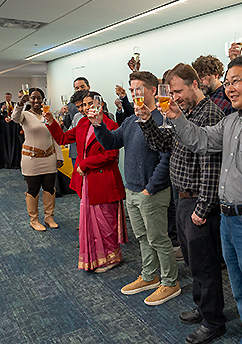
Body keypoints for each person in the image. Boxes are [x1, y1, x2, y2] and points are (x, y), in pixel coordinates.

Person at [161, 55, 242, 344]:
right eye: (227, 82)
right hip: (228, 223)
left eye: (236, 81)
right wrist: (177, 118)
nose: (229, 88)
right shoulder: (231, 121)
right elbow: (200, 140)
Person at [137, 63, 226, 344]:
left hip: (199, 200)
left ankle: (214, 321)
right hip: (182, 197)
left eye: (178, 91)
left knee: (205, 264)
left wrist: (203, 207)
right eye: (171, 92)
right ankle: (203, 308)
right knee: (192, 261)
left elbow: (211, 165)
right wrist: (146, 121)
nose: (174, 97)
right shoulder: (183, 113)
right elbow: (163, 145)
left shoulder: (210, 113)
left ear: (195, 84)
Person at [88, 71, 180, 306]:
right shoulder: (130, 121)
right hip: (133, 190)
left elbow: (166, 159)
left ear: (152, 90)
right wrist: (98, 125)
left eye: (139, 89)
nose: (135, 94)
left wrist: (151, 188)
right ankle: (150, 276)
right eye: (132, 90)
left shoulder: (163, 118)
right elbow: (111, 142)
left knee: (159, 238)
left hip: (152, 192)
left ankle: (170, 282)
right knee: (143, 238)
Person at [45, 91, 128, 273]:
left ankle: (112, 258)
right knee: (91, 224)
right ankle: (96, 258)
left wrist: (85, 163)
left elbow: (111, 154)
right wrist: (51, 121)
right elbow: (63, 138)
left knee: (106, 223)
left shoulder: (111, 125)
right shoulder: (82, 123)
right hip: (87, 182)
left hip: (104, 180)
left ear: (100, 104)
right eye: (83, 105)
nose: (87, 108)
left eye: (91, 104)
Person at [12, 88, 63, 231]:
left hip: (49, 157)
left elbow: (55, 137)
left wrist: (59, 156)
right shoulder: (25, 115)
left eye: (38, 98)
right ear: (29, 100)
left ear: (43, 100)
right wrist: (20, 103)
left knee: (49, 188)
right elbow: (15, 118)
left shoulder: (48, 116)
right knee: (33, 189)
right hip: (32, 159)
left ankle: (49, 217)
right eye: (33, 98)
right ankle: (34, 220)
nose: (35, 100)